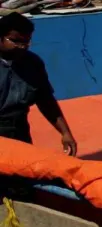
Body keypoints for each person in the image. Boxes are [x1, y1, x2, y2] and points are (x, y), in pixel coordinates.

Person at [0, 12, 77, 154]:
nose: (22, 47)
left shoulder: (33, 63)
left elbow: (46, 101)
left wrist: (65, 132)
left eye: (26, 42)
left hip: (19, 132)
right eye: (15, 41)